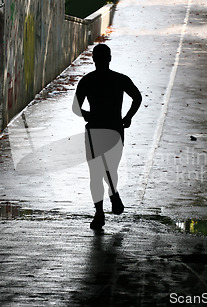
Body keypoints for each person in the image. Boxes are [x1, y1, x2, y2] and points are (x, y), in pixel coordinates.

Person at [73, 44, 142, 230]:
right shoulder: (120, 79)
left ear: (94, 59)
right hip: (115, 130)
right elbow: (137, 97)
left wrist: (87, 115)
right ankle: (113, 193)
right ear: (109, 58)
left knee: (95, 174)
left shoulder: (87, 81)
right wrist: (127, 118)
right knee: (110, 168)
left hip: (94, 130)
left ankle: (99, 213)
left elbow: (75, 108)